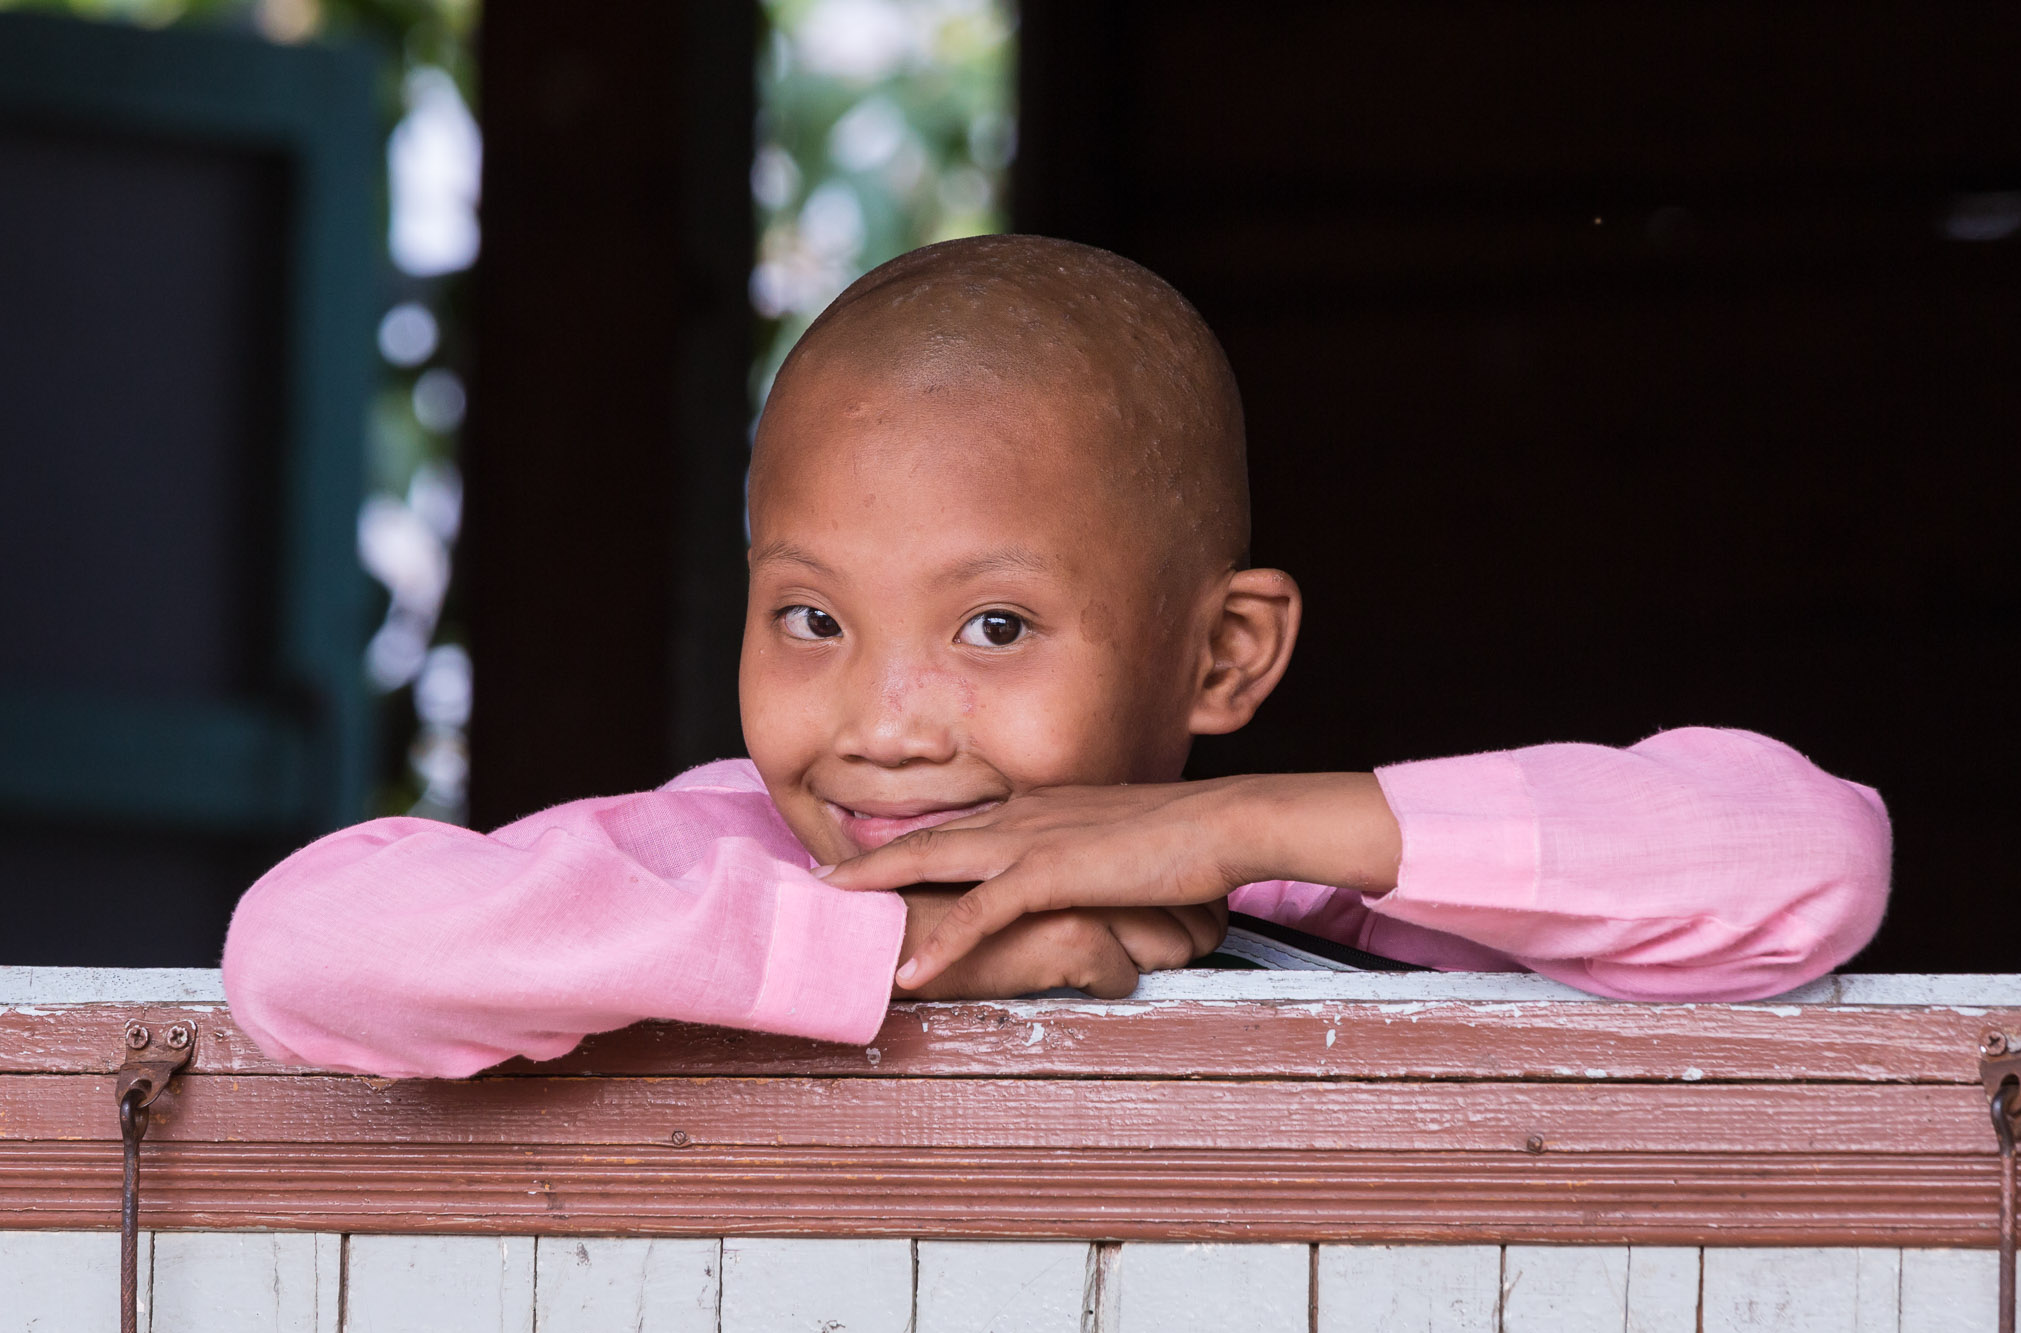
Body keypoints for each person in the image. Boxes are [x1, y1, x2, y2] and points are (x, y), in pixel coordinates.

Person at [223, 236, 1892, 1078]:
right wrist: (885, 964)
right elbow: (305, 950)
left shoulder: (1311, 910)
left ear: (1226, 654)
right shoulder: (700, 865)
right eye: (810, 617)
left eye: (994, 627)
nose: (882, 721)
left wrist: (1228, 835)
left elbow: (1804, 860)